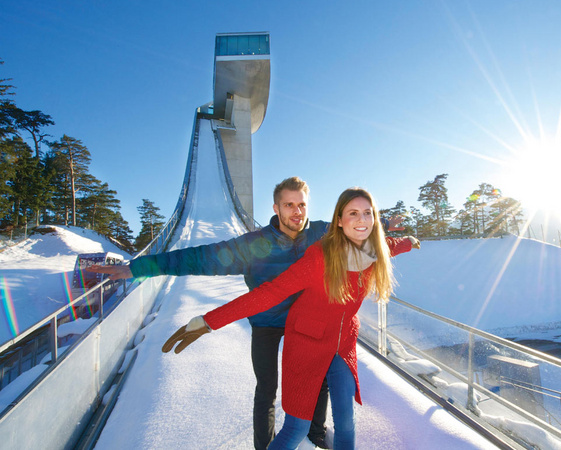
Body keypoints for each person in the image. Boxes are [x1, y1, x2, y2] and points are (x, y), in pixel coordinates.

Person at [87, 177, 403, 449]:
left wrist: (394, 232)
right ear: (276, 208)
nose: (297, 212)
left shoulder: (321, 233)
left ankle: (316, 436)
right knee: (267, 387)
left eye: (302, 205)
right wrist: (140, 268)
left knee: (319, 381)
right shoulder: (255, 245)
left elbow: (361, 233)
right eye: (289, 205)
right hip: (267, 319)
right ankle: (265, 444)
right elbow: (200, 258)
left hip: (308, 325)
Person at [162, 187, 420, 449]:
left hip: (342, 344)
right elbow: (271, 292)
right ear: (339, 221)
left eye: (368, 213)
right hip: (306, 344)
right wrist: (209, 321)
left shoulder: (375, 251)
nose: (362, 220)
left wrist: (408, 241)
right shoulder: (321, 256)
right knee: (296, 428)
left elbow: (389, 246)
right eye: (353, 213)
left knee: (346, 422)